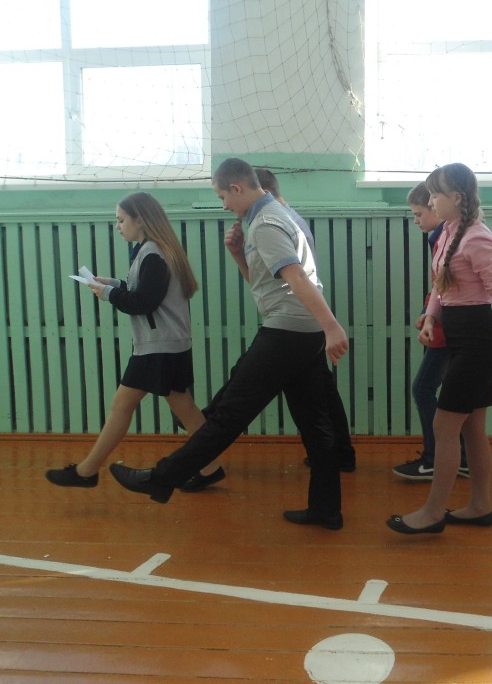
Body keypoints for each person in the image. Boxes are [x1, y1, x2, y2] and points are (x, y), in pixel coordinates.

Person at [109, 158, 350, 530]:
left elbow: (298, 278)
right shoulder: (275, 215)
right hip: (301, 332)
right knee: (315, 424)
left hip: (287, 332)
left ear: (237, 188)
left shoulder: (266, 223)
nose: (223, 205)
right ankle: (326, 508)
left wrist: (332, 327)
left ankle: (161, 478)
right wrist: (238, 255)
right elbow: (268, 285)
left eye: (223, 196)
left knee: (227, 416)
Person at [386, 163, 492, 535]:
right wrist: (430, 317)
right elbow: (441, 286)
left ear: (456, 197)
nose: (430, 201)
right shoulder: (447, 232)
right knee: (473, 429)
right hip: (460, 340)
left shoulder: (477, 238)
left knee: (444, 426)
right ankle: (479, 506)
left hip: (477, 344)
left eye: (435, 195)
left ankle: (433, 513)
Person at [45, 192, 223, 491]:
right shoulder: (153, 251)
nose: (118, 226)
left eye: (121, 220)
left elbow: (144, 302)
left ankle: (87, 471)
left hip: (158, 346)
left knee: (122, 406)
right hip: (169, 343)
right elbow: (146, 291)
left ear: (140, 219)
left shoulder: (152, 253)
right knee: (185, 409)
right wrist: (114, 284)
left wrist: (108, 294)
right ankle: (210, 466)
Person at [253, 167, 356, 473]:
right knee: (319, 391)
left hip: (297, 320)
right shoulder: (290, 218)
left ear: (261, 193)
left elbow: (296, 277)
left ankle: (337, 454)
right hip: (305, 317)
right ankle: (339, 454)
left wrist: (328, 325)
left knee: (312, 395)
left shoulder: (276, 222)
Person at [392, 182, 468, 481]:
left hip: (449, 329)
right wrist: (428, 312)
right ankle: (458, 458)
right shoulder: (440, 237)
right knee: (447, 394)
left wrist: (432, 317)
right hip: (445, 324)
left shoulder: (447, 238)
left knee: (423, 389)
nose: (417, 220)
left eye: (419, 213)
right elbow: (440, 285)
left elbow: (448, 286)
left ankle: (435, 458)